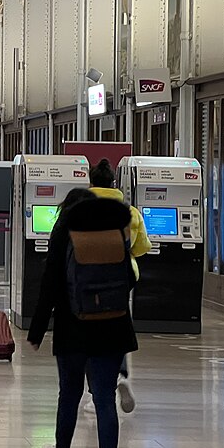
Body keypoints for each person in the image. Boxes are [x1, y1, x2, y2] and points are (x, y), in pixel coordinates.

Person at [27, 188, 138, 448]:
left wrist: (35, 331)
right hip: (113, 327)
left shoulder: (64, 231)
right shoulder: (115, 231)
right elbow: (130, 279)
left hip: (72, 327)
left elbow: (49, 283)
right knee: (104, 398)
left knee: (70, 393)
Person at [88, 158, 152, 414]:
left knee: (89, 332)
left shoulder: (81, 209)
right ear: (114, 184)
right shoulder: (130, 212)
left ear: (90, 183)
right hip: (122, 277)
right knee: (117, 326)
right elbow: (142, 247)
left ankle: (95, 390)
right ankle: (121, 375)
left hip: (88, 278)